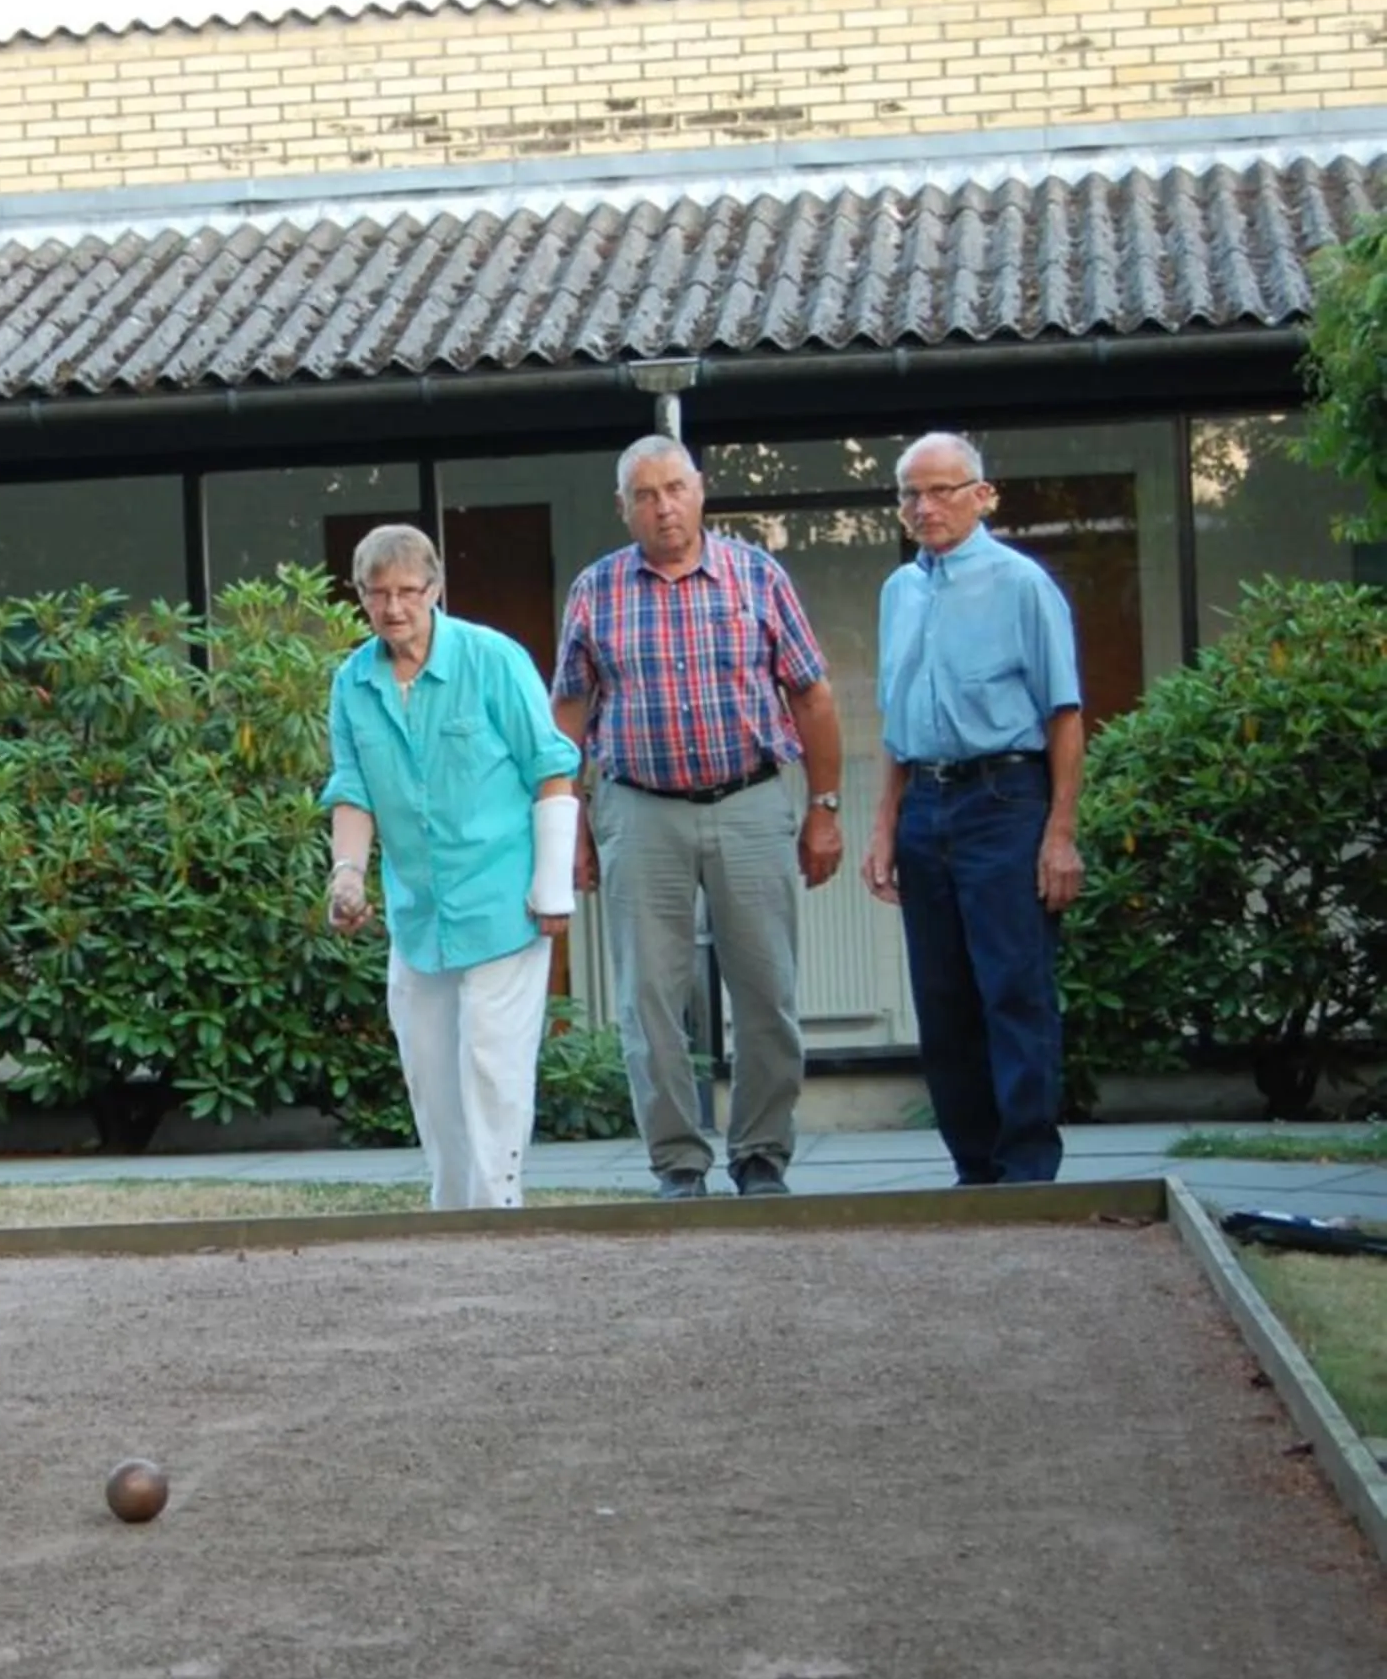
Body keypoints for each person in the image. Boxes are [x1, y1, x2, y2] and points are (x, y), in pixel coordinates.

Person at [552, 436, 844, 1201]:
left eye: (675, 489)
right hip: (639, 810)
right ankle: (678, 1162)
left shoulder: (758, 575)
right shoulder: (596, 590)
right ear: (624, 508)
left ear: (701, 491)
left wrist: (825, 808)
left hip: (751, 802)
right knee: (648, 998)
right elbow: (569, 715)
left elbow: (812, 695)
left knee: (767, 991)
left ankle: (760, 1155)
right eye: (645, 495)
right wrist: (567, 825)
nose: (663, 507)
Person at [321, 524, 580, 1212]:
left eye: (409, 591)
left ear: (435, 590)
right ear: (361, 597)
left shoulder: (493, 659)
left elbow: (551, 769)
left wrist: (553, 887)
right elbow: (352, 790)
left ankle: (498, 1208)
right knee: (432, 1074)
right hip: (418, 912)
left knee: (492, 1065)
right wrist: (347, 874)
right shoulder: (352, 682)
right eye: (379, 594)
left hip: (503, 899)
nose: (394, 607)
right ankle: (453, 1212)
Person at [860, 431, 1084, 1186]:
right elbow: (896, 720)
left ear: (981, 494)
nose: (923, 507)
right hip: (926, 803)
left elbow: (1064, 714)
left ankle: (1026, 1169)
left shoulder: (1021, 584)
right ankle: (973, 1170)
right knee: (943, 997)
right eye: (909, 494)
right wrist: (884, 823)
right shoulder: (900, 592)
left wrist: (1059, 834)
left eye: (940, 490)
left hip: (1005, 800)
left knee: (1013, 989)